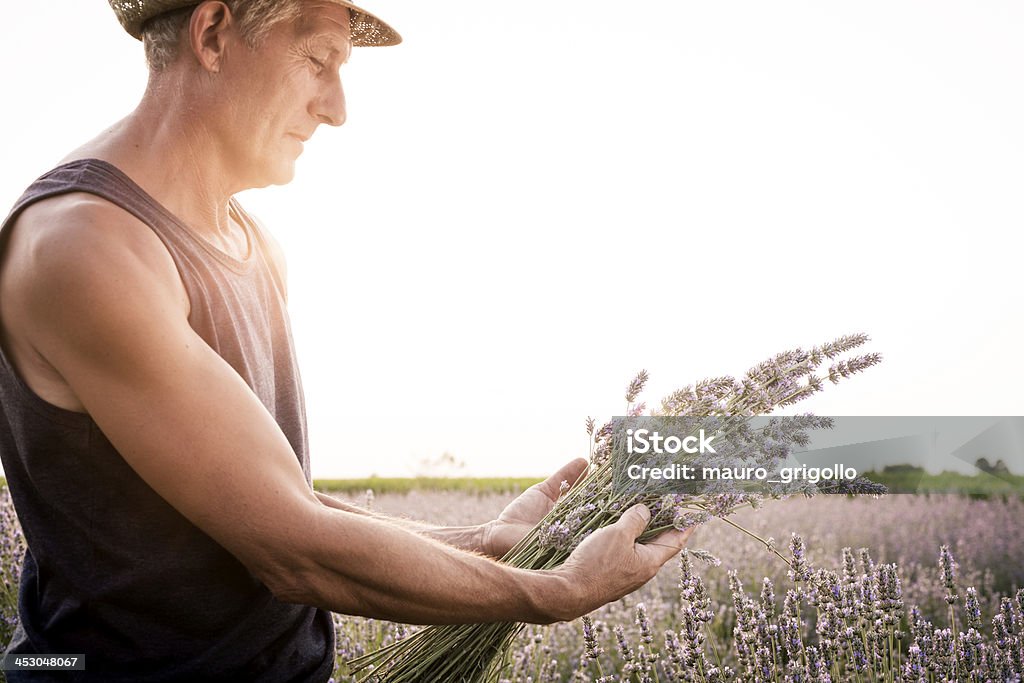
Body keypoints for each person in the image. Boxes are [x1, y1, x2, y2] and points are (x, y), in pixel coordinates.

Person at [0, 1, 692, 680]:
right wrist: (559, 590)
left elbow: (269, 494)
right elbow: (293, 549)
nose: (337, 108)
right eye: (318, 60)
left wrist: (485, 542)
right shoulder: (87, 250)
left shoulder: (253, 240)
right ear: (213, 33)